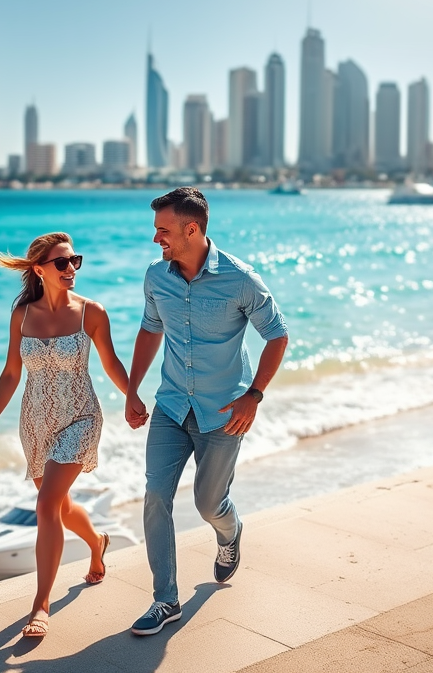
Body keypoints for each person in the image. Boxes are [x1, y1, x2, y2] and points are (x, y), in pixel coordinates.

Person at [125, 187, 289, 636]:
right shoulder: (156, 277)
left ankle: (230, 532)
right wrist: (132, 389)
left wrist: (253, 396)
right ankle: (165, 600)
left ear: (190, 229)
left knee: (207, 503)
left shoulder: (241, 279)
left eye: (163, 230)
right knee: (156, 495)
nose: (156, 238)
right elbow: (148, 329)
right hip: (172, 405)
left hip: (224, 412)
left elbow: (277, 336)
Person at [0, 232, 141, 639]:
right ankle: (97, 541)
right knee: (59, 505)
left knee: (46, 504)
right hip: (34, 423)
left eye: (75, 261)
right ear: (39, 270)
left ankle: (41, 604)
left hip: (81, 417)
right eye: (62, 263)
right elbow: (11, 373)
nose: (71, 269)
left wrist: (133, 398)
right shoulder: (22, 315)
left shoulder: (92, 313)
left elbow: (111, 363)